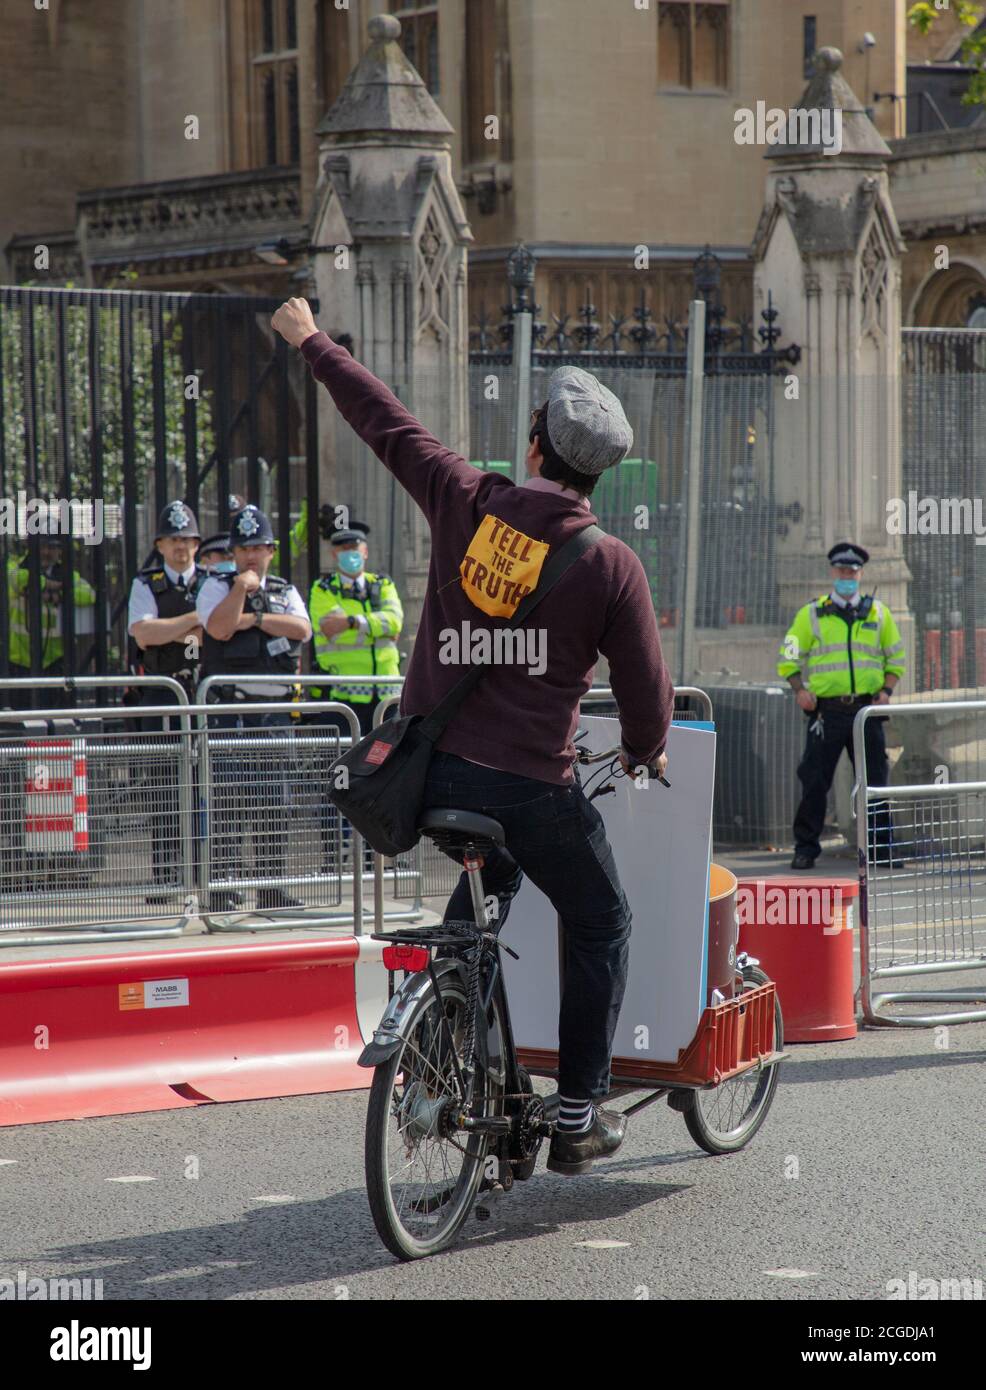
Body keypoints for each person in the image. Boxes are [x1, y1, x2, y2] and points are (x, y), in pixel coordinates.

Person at [273, 296, 674, 1176]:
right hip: (532, 787)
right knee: (601, 918)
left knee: (480, 898)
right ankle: (576, 1115)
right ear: (595, 475)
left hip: (435, 775)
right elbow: (647, 697)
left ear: (534, 445)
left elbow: (388, 424)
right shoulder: (611, 564)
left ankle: (447, 1035)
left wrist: (314, 343)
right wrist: (646, 748)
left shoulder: (467, 499)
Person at [197, 504, 312, 913]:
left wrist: (257, 617)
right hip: (234, 712)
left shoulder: (285, 589)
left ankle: (271, 887)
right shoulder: (216, 586)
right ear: (232, 550)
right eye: (243, 547)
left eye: (258, 547)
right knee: (230, 800)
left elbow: (302, 629)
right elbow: (219, 628)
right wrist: (240, 591)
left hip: (274, 712)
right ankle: (223, 888)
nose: (251, 554)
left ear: (271, 550)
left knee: (274, 803)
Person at [777, 542, 907, 870]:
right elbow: (789, 654)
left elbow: (896, 657)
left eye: (852, 572)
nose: (846, 577)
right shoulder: (812, 613)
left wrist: (887, 691)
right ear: (832, 573)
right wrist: (798, 689)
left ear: (860, 574)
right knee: (815, 780)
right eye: (841, 571)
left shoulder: (878, 613)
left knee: (875, 781)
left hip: (867, 711)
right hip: (827, 711)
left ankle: (881, 849)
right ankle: (806, 848)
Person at [308, 513, 404, 872]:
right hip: (343, 702)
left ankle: (376, 858)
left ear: (365, 552)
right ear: (334, 555)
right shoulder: (323, 589)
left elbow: (396, 622)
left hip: (384, 704)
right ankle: (332, 861)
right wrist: (375, 627)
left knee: (384, 780)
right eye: (342, 548)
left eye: (354, 547)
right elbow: (327, 628)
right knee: (338, 779)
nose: (349, 552)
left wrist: (352, 622)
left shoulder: (384, 584)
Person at [127, 501, 207, 904]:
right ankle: (166, 875)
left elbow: (218, 631)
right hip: (162, 693)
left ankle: (206, 873)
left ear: (197, 543)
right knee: (163, 786)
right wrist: (192, 621)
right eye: (173, 539)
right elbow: (144, 635)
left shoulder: (212, 578)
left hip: (203, 692)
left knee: (206, 784)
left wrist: (171, 628)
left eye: (188, 539)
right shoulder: (147, 583)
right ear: (160, 544)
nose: (181, 547)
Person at [5, 537, 95, 707]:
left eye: (52, 547)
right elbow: (16, 579)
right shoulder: (16, 569)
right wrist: (50, 584)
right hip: (19, 660)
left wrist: (57, 595)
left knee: (56, 719)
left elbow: (89, 594)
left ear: (60, 550)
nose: (46, 552)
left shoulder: (67, 574)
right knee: (20, 719)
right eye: (42, 547)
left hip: (54, 660)